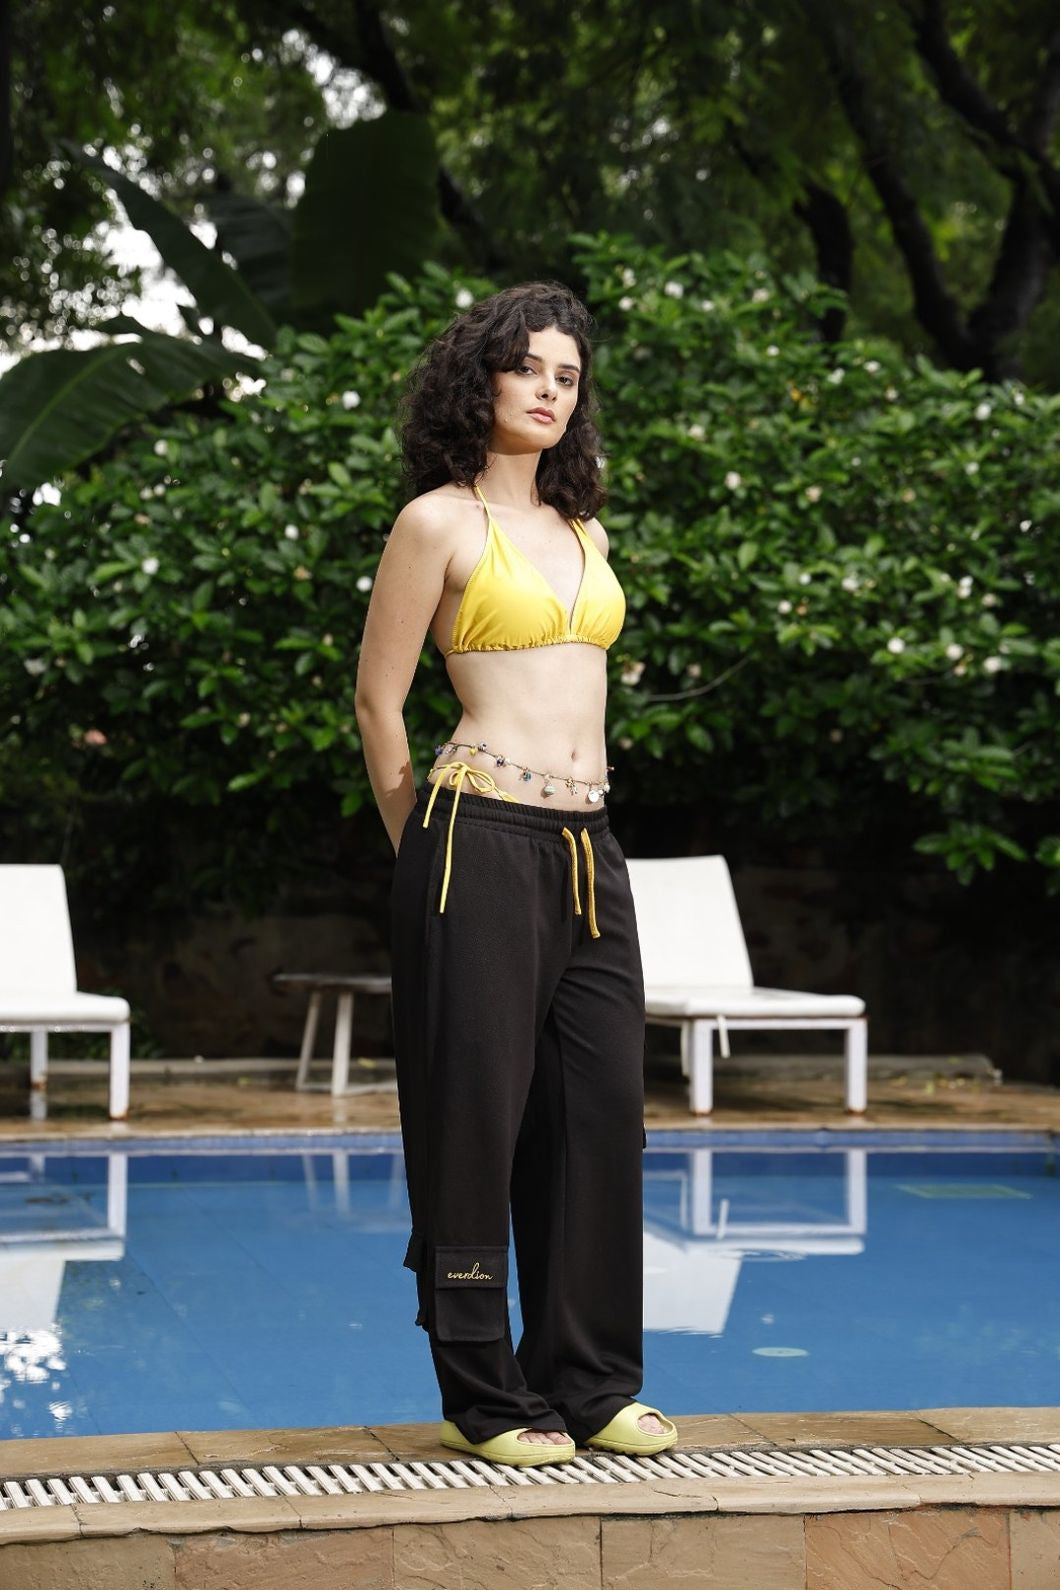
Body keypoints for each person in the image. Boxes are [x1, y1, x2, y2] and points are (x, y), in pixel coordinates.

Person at [354, 281, 677, 1467]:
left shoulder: (585, 530)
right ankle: (485, 1393)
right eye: (527, 368)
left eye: (567, 376)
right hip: (472, 837)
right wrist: (425, 858)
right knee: (473, 1123)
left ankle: (589, 1383)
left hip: (589, 847)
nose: (548, 389)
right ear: (478, 381)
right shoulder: (435, 524)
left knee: (599, 1121)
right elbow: (378, 705)